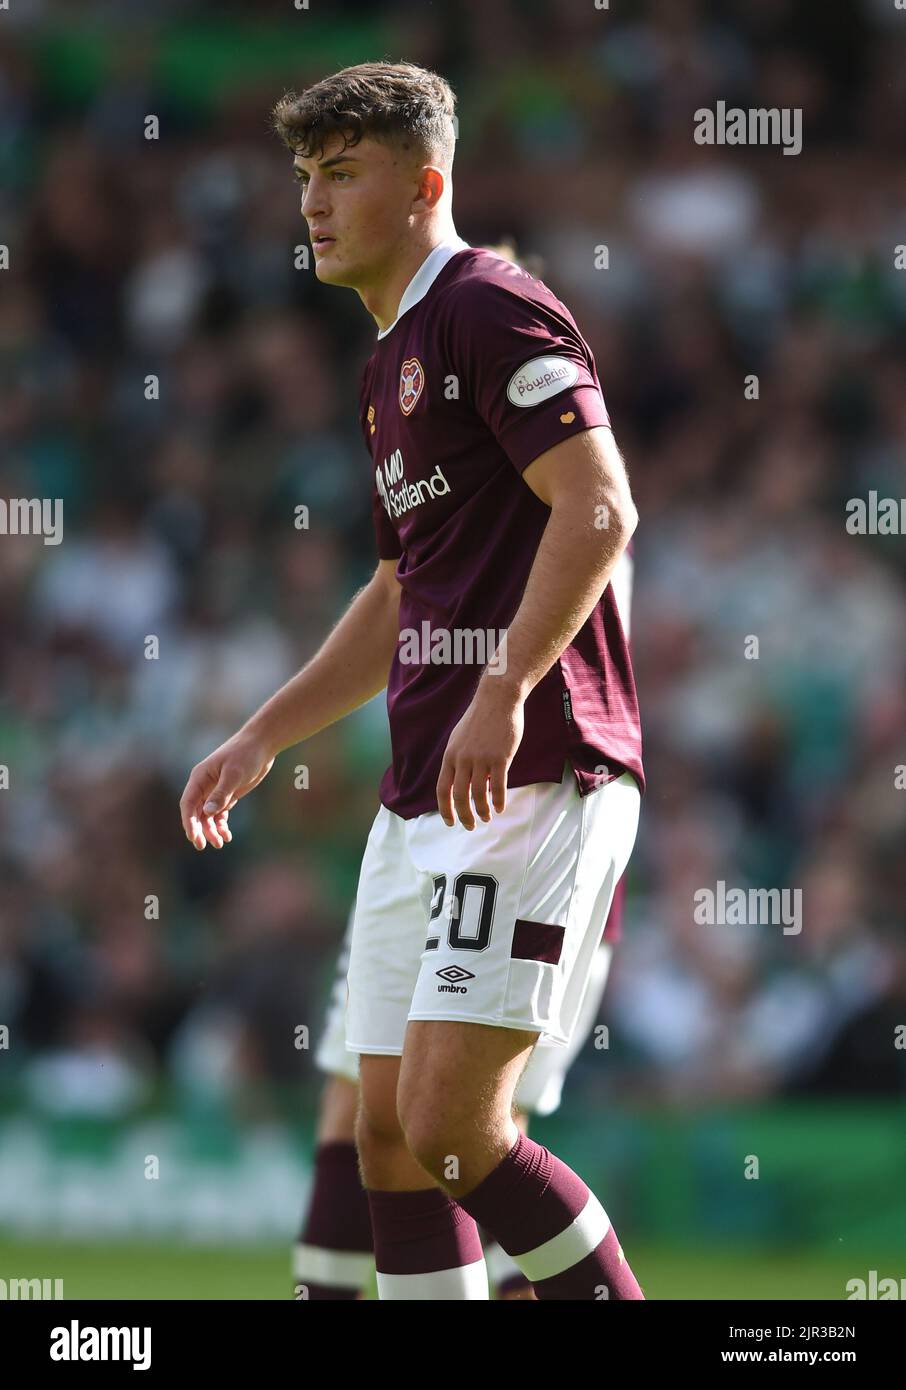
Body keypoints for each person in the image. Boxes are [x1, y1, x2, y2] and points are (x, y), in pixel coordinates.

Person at [180, 60, 645, 1300]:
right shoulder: (387, 362)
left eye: (343, 174)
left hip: (532, 765)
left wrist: (501, 688)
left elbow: (599, 510)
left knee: (452, 1129)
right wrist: (264, 731)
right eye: (304, 178)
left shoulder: (490, 309)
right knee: (385, 1138)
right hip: (423, 788)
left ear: (425, 184)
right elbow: (395, 593)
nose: (312, 205)